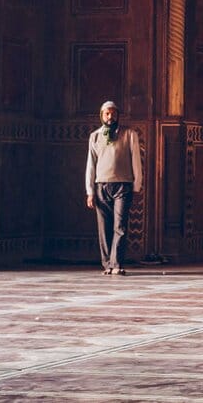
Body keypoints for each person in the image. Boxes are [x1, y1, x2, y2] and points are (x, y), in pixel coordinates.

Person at [85, 101, 142, 275]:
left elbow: (136, 162)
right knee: (104, 228)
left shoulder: (129, 134)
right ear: (102, 116)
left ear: (118, 115)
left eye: (113, 113)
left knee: (120, 226)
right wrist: (90, 191)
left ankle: (116, 264)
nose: (110, 117)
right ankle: (107, 265)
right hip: (101, 186)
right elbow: (91, 165)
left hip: (123, 185)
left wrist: (136, 186)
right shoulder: (95, 136)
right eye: (107, 114)